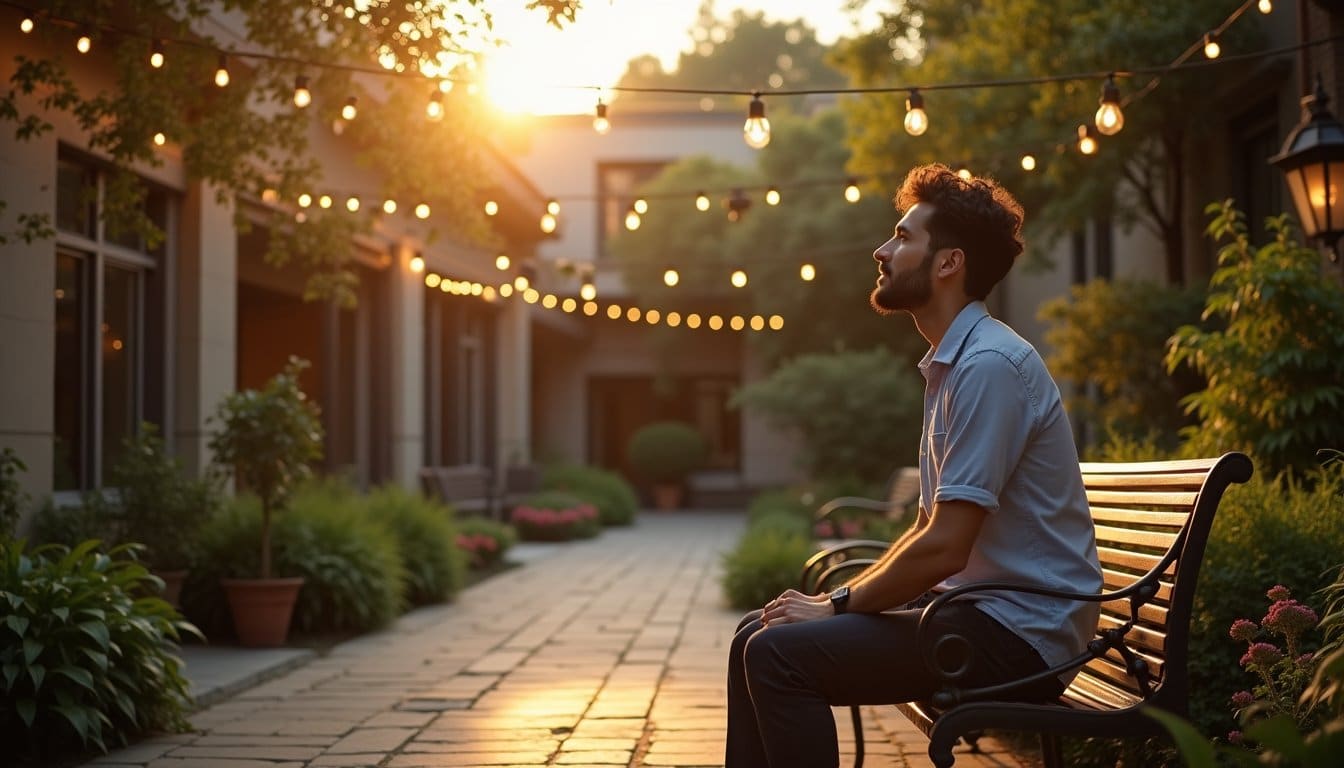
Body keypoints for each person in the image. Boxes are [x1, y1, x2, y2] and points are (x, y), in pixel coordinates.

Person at [724, 163, 1103, 768]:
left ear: (948, 263)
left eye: (902, 237)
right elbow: (932, 529)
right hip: (980, 615)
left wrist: (839, 603)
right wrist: (854, 601)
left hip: (1021, 638)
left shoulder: (988, 367)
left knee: (779, 654)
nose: (882, 250)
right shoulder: (956, 364)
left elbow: (946, 546)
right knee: (756, 634)